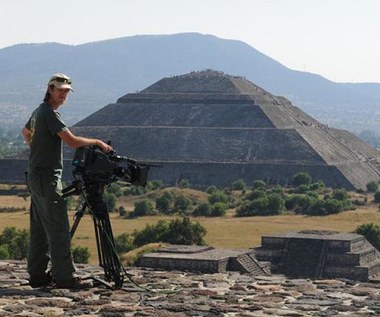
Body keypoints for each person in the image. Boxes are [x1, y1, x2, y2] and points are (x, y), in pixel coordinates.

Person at [21, 73, 113, 288]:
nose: (63, 94)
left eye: (66, 91)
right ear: (50, 89)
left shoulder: (39, 111)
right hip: (47, 178)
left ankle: (37, 274)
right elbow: (71, 141)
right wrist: (97, 142)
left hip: (36, 176)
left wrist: (36, 150)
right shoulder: (50, 114)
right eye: (60, 90)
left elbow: (25, 132)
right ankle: (64, 277)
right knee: (58, 228)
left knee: (40, 229)